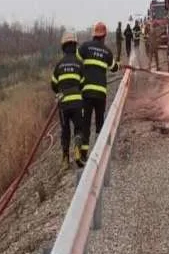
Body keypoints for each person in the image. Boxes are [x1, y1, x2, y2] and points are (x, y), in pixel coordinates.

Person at [77, 21, 119, 163]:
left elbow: (75, 61)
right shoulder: (107, 51)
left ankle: (83, 154)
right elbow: (114, 68)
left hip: (86, 92)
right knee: (100, 122)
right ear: (104, 36)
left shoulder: (84, 47)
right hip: (100, 93)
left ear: (93, 34)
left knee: (86, 123)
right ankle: (98, 153)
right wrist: (118, 64)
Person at [51, 32, 84, 170]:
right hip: (77, 102)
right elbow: (82, 82)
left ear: (63, 47)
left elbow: (53, 85)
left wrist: (60, 91)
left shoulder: (58, 65)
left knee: (65, 131)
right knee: (78, 128)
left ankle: (65, 159)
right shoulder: (79, 63)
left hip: (63, 104)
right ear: (75, 46)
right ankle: (77, 149)